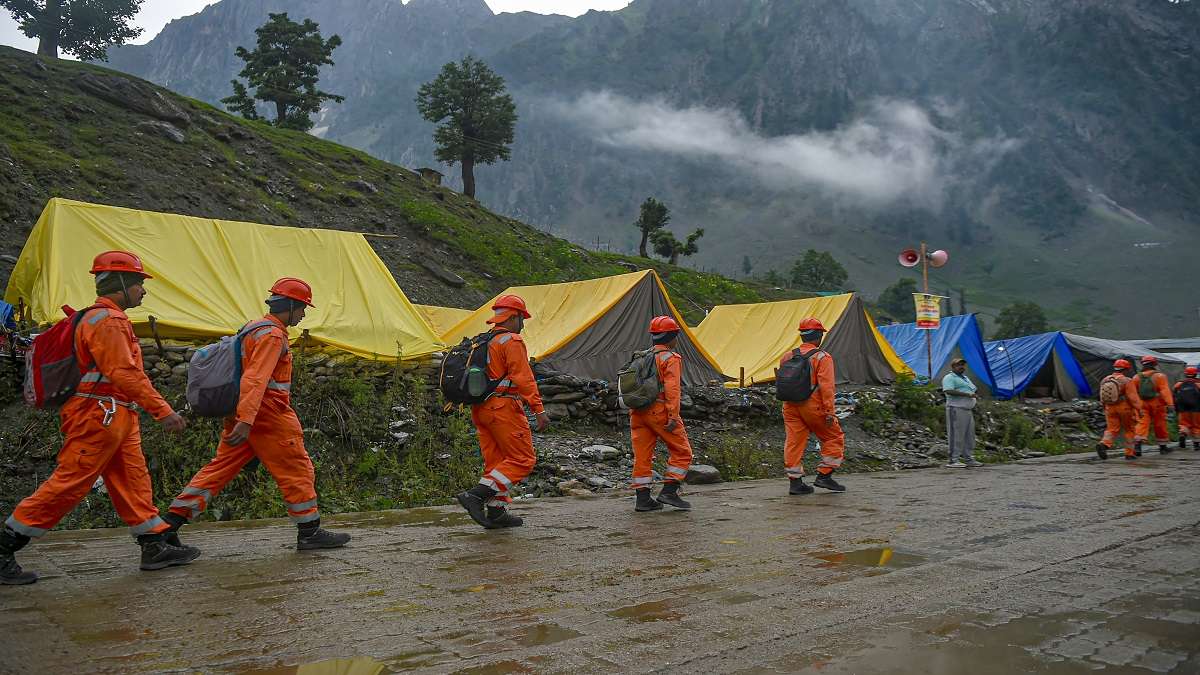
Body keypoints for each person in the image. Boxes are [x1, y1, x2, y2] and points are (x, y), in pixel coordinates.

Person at [1, 251, 197, 585]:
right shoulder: (109, 321)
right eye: (138, 284)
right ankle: (5, 546)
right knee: (70, 482)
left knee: (133, 480)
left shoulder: (94, 318)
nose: (143, 291)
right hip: (99, 415)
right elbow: (125, 373)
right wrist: (163, 412)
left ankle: (154, 545)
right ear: (120, 284)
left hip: (112, 414)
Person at [163, 278, 350, 551]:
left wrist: (242, 418)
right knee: (297, 468)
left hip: (242, 414)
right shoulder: (273, 335)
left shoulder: (252, 327)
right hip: (267, 416)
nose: (303, 314)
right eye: (302, 308)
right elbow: (255, 379)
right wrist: (248, 420)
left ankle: (169, 525)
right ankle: (310, 531)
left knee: (218, 470)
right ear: (289, 306)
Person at [456, 295, 550, 528]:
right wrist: (538, 409)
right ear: (514, 317)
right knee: (523, 459)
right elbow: (524, 378)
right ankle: (476, 495)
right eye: (522, 318)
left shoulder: (483, 341)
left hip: (482, 409)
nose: (523, 324)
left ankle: (497, 511)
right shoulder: (511, 341)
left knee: (497, 462)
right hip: (504, 408)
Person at [630, 316, 694, 512]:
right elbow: (672, 389)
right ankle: (669, 491)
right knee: (683, 452)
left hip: (637, 412)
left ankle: (643, 499)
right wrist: (673, 416)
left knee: (642, 455)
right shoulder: (670, 358)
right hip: (660, 411)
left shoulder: (641, 356)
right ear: (672, 337)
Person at [781, 318, 846, 494]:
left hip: (790, 405)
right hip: (814, 406)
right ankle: (824, 476)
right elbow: (827, 387)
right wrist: (829, 413)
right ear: (819, 336)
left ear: (802, 336)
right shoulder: (822, 357)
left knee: (793, 443)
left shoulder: (787, 356)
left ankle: (795, 483)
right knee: (833, 437)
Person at [1096, 359, 1144, 461]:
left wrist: (1105, 407)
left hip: (1110, 407)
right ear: (1126, 369)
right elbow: (1133, 398)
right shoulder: (1127, 380)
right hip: (1124, 408)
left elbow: (1102, 396)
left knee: (1111, 429)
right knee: (1129, 429)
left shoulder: (1105, 379)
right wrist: (1140, 410)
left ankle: (1104, 444)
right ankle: (1129, 453)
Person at [942, 358, 982, 468]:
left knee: (969, 435)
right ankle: (953, 460)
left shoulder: (965, 378)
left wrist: (974, 394)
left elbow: (973, 389)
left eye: (963, 365)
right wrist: (968, 395)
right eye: (959, 365)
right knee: (956, 434)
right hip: (956, 408)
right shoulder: (949, 377)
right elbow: (948, 390)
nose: (961, 367)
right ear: (953, 367)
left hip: (967, 409)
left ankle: (969, 458)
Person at [1133, 355, 1175, 454]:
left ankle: (1137, 445)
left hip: (1142, 403)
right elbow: (1165, 391)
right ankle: (1163, 447)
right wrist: (1170, 404)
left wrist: (1134, 405)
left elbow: (1133, 393)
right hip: (1158, 404)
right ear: (1154, 364)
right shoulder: (1160, 376)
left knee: (1142, 423)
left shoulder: (1136, 377)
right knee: (1160, 425)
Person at [1173, 366, 1199, 450]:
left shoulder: (1178, 384)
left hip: (1182, 409)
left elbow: (1174, 396)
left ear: (1185, 374)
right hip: (1197, 409)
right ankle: (1196, 444)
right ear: (1195, 374)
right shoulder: (1198, 384)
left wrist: (1176, 408)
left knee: (1183, 424)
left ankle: (1182, 434)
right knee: (1196, 426)